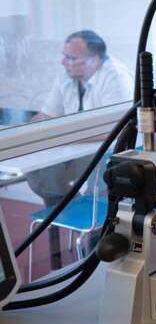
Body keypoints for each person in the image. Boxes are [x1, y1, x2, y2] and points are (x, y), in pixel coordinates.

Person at [27, 30, 132, 271]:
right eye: (64, 56)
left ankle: (97, 242)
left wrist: (64, 136)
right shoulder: (67, 74)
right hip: (77, 151)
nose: (63, 62)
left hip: (110, 155)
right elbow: (48, 114)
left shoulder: (116, 78)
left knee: (97, 183)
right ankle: (65, 232)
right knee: (41, 175)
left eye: (71, 58)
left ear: (95, 60)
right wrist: (26, 130)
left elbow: (118, 129)